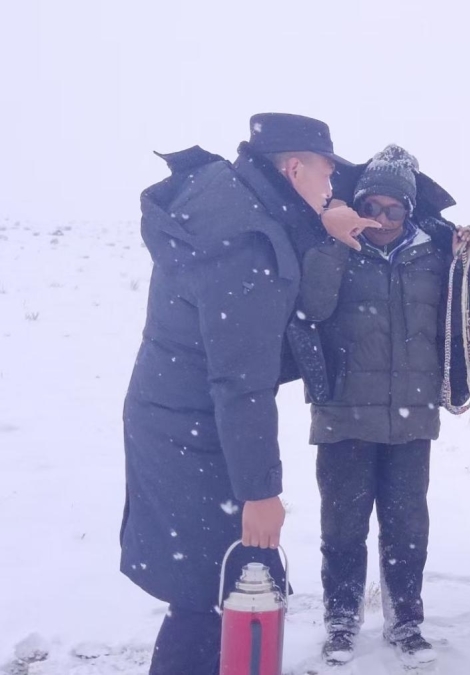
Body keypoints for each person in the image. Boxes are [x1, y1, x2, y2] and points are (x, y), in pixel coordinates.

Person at [120, 113, 377, 675]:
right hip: (198, 429)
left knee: (205, 589)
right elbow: (242, 383)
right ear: (294, 168)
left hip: (175, 417)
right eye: (326, 173)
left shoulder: (229, 198)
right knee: (211, 593)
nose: (331, 186)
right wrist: (260, 493)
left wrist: (321, 226)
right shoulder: (248, 244)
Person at [295, 144, 470, 666]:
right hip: (343, 417)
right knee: (342, 527)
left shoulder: (435, 255)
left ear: (409, 211)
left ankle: (405, 621)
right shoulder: (330, 246)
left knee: (407, 528)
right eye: (371, 207)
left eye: (394, 209)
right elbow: (311, 308)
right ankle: (341, 619)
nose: (381, 219)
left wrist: (463, 250)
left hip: (412, 417)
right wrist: (335, 241)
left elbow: (461, 313)